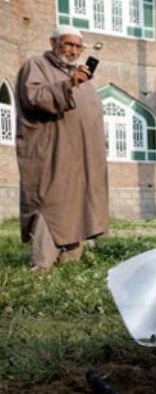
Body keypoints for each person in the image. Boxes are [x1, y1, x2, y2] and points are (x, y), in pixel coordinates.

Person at [15, 25, 109, 271]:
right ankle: (42, 264)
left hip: (82, 158)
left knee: (78, 202)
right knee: (51, 202)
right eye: (68, 44)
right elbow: (34, 97)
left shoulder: (83, 77)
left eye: (78, 47)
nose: (73, 51)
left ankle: (69, 263)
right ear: (53, 43)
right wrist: (68, 85)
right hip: (53, 152)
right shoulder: (37, 65)